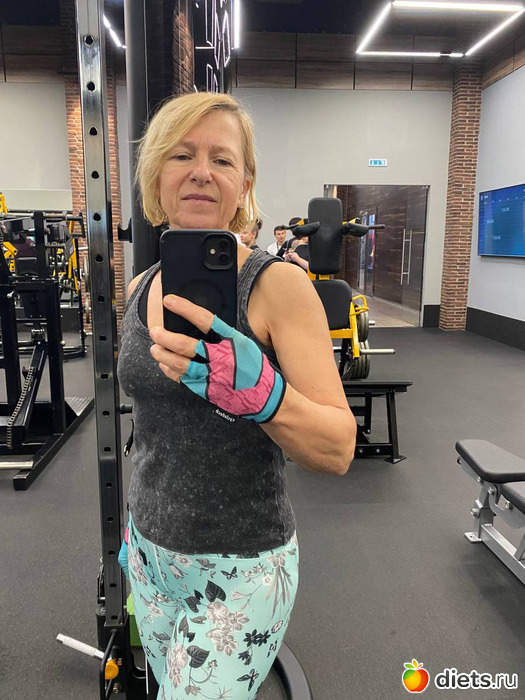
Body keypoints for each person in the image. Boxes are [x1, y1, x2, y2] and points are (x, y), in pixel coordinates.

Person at [117, 91, 356, 699]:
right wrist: (136, 531)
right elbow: (153, 428)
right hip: (150, 553)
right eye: (181, 155)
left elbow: (337, 447)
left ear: (244, 182)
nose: (201, 171)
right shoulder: (139, 286)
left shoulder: (279, 287)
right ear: (156, 175)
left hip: (240, 567)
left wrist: (267, 397)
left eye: (221, 159)